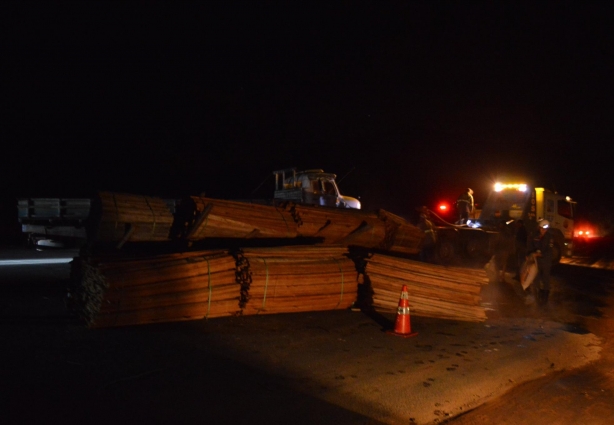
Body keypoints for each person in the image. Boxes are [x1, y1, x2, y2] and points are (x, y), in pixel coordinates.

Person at [527, 219, 554, 307]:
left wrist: (538, 254)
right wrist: (530, 253)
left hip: (546, 260)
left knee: (546, 278)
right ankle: (538, 296)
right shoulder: (537, 236)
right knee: (536, 278)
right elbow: (532, 246)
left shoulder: (549, 237)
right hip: (538, 261)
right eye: (541, 228)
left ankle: (545, 299)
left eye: (544, 229)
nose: (542, 230)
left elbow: (547, 250)